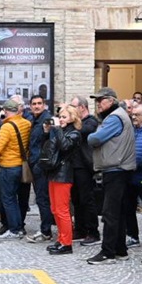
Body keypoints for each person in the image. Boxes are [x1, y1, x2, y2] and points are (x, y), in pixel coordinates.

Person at [85, 88, 136, 265]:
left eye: (102, 100)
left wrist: (91, 134)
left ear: (112, 101)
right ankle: (120, 249)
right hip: (119, 169)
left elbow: (95, 139)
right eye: (97, 101)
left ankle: (108, 252)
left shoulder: (114, 118)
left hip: (116, 170)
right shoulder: (118, 115)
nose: (98, 104)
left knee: (110, 213)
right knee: (119, 212)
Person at [0, 98, 30, 239]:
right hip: (21, 166)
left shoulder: (7, 127)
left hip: (8, 166)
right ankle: (19, 227)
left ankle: (14, 229)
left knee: (8, 199)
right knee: (16, 199)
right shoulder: (26, 123)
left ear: (6, 111)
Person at [42, 105, 82, 254]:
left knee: (62, 209)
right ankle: (61, 239)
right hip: (54, 172)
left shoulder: (75, 134)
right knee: (55, 209)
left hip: (64, 174)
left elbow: (64, 146)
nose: (61, 119)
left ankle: (67, 244)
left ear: (73, 118)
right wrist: (47, 132)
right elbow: (50, 148)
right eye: (60, 116)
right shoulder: (62, 131)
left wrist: (57, 128)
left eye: (64, 117)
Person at [68, 96, 101, 246]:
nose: (71, 110)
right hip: (73, 165)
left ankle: (93, 231)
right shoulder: (77, 123)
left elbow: (81, 131)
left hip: (84, 166)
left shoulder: (91, 122)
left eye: (73, 107)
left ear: (82, 107)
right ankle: (80, 229)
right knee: (76, 200)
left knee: (87, 199)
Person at [24, 95, 55, 243]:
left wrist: (46, 132)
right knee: (42, 198)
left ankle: (46, 231)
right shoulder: (33, 119)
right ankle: (46, 228)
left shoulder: (46, 120)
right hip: (36, 163)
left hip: (41, 165)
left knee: (43, 198)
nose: (36, 106)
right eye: (34, 104)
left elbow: (50, 142)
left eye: (39, 104)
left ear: (44, 105)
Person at [125, 103, 142, 248]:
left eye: (137, 115)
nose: (133, 117)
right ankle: (133, 236)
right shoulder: (131, 129)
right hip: (130, 175)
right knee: (129, 207)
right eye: (132, 115)